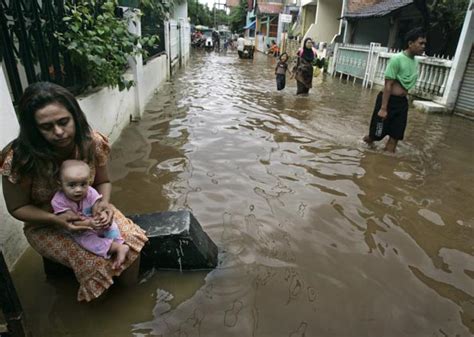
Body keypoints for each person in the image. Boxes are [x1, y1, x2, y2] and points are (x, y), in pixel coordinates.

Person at [1, 82, 148, 302]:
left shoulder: (91, 142)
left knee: (130, 243)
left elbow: (103, 182)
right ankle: (102, 316)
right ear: (33, 129)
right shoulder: (20, 159)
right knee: (95, 263)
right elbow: (17, 208)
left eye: (63, 122)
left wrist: (103, 204)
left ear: (75, 117)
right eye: (47, 127)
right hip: (46, 225)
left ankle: (131, 304)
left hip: (92, 212)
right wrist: (56, 219)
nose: (59, 132)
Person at [52, 160, 129, 270]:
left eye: (83, 184)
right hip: (79, 228)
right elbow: (70, 221)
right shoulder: (59, 201)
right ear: (60, 183)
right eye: (72, 185)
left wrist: (102, 217)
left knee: (110, 224)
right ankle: (116, 248)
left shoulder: (90, 192)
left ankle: (118, 242)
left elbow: (97, 207)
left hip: (93, 222)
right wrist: (89, 223)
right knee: (87, 240)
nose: (78, 190)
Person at [363, 27, 426, 152]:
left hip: (402, 103)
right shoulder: (397, 59)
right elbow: (388, 85)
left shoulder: (415, 62)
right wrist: (383, 108)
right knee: (375, 135)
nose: (423, 46)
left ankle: (386, 165)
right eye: (420, 43)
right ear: (410, 43)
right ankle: (366, 143)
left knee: (395, 136)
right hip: (387, 101)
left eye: (425, 44)